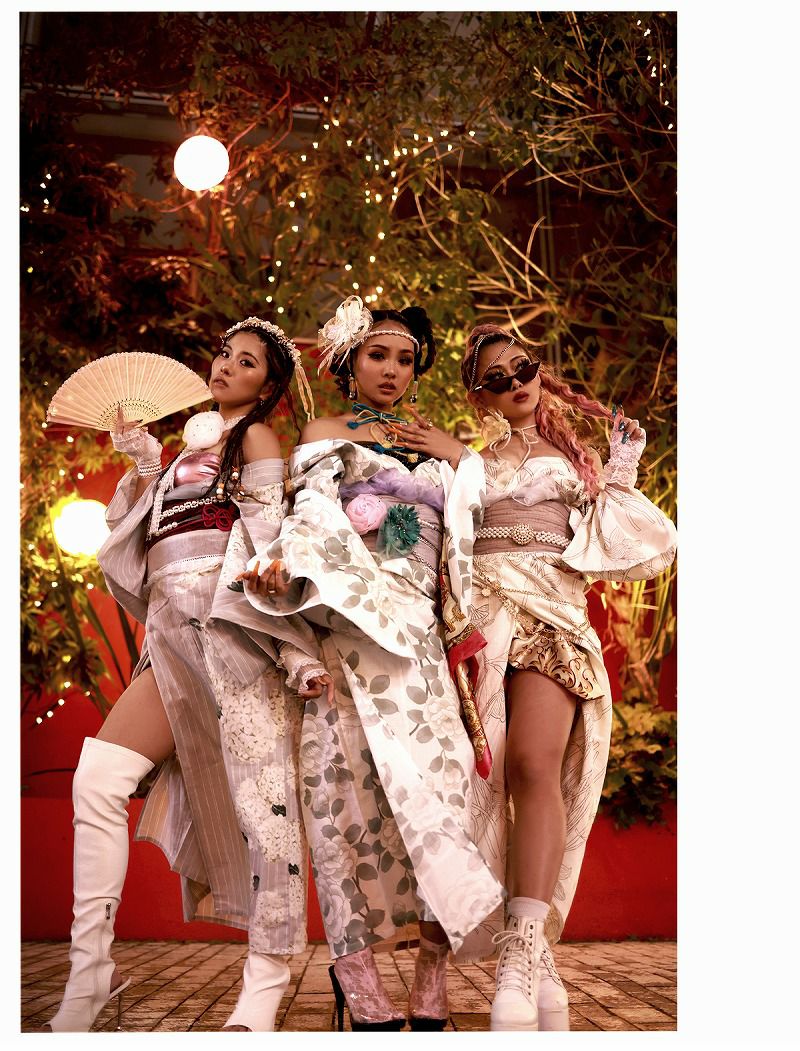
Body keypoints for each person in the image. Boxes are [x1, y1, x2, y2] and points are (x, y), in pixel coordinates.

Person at [46, 318, 330, 1032]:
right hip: (171, 632)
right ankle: (90, 972)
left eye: (247, 361)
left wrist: (292, 643)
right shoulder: (184, 449)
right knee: (98, 780)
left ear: (269, 384)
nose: (226, 365)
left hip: (235, 630)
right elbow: (145, 540)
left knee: (265, 809)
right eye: (224, 353)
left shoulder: (256, 439)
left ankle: (263, 987)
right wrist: (147, 466)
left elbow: (269, 536)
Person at [397, 323, 677, 1032]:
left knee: (532, 764)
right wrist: (456, 461)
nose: (515, 382)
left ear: (538, 370)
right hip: (481, 627)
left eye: (522, 367)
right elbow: (438, 541)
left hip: (551, 619)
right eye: (496, 378)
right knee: (474, 782)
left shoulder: (576, 461)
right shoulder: (468, 461)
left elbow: (620, 538)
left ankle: (522, 950)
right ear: (479, 396)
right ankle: (529, 957)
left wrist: (620, 468)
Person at [239, 295, 504, 1031]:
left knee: (444, 793)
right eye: (378, 355)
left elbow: (474, 521)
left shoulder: (435, 441)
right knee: (343, 795)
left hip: (422, 635)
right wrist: (289, 565)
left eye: (405, 359)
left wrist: (461, 458)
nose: (391, 370)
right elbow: (310, 518)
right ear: (349, 360)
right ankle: (356, 975)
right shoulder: (324, 432)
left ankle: (431, 977)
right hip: (354, 622)